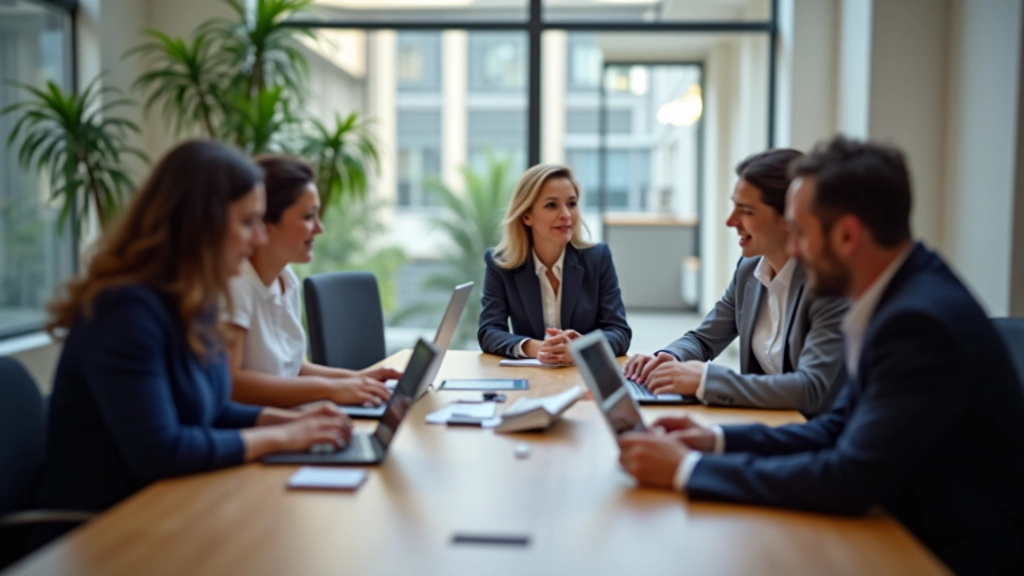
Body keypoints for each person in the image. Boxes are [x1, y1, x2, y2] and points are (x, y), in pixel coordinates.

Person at [616, 136, 1024, 575]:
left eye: (802, 233)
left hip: (944, 552)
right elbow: (836, 426)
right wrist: (714, 441)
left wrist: (688, 470)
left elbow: (847, 479)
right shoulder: (901, 294)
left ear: (847, 235)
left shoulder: (917, 324)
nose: (793, 250)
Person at [38, 141, 353, 530]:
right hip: (102, 532)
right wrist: (283, 437)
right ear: (201, 224)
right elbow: (162, 450)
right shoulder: (123, 310)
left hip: (170, 508)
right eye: (247, 222)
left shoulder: (192, 299)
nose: (258, 238)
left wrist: (291, 425)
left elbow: (214, 410)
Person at [624, 149, 848, 416]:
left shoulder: (829, 286)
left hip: (814, 436)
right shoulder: (750, 269)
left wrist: (705, 380)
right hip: (764, 421)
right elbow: (704, 339)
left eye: (746, 211)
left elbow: (809, 390)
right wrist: (669, 358)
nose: (731, 221)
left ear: (790, 219)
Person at [226, 155, 400, 409]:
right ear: (266, 222)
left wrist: (360, 379)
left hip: (292, 419)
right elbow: (232, 385)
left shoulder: (286, 279)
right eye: (308, 216)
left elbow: (292, 369)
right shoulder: (236, 284)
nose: (319, 228)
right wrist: (331, 389)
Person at [478, 164, 631, 364]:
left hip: (586, 378)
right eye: (552, 205)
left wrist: (581, 349)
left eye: (572, 204)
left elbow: (619, 332)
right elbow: (489, 332)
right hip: (532, 379)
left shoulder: (598, 258)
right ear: (527, 216)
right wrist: (537, 348)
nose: (566, 214)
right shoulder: (501, 264)